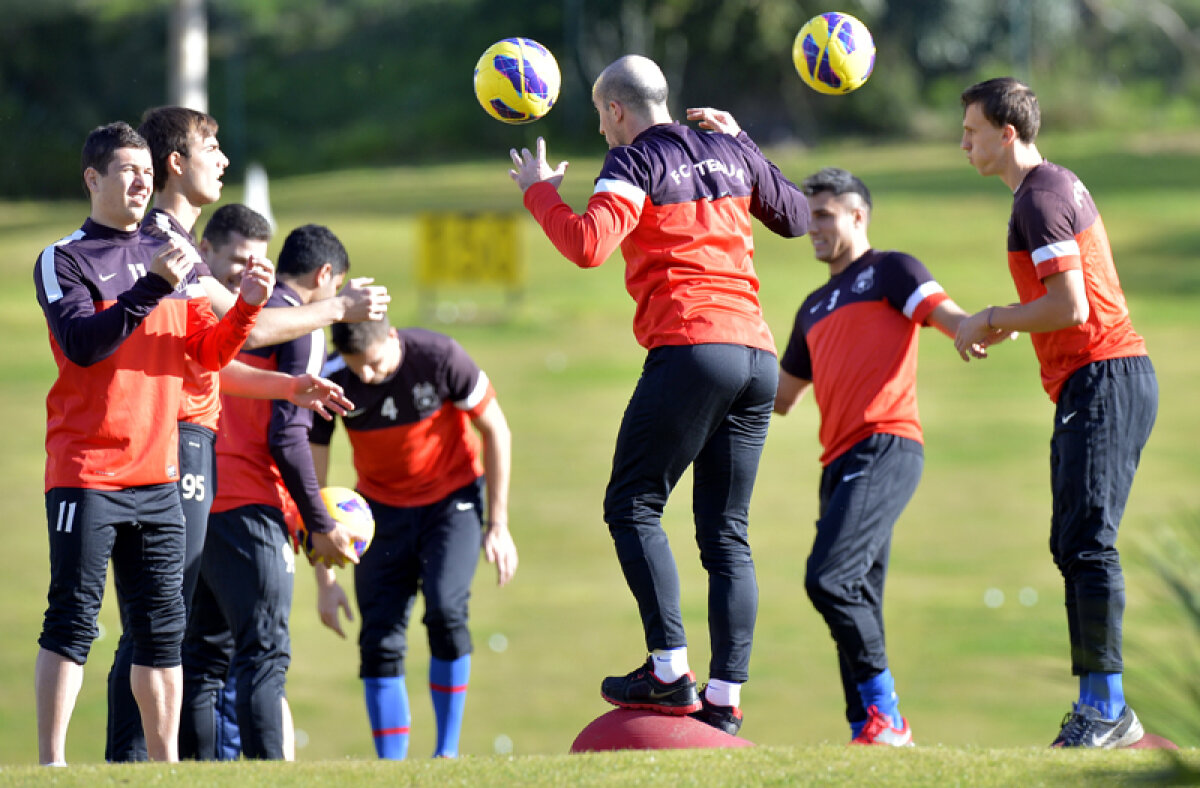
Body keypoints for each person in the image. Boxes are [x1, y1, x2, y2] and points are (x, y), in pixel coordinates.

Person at [507, 54, 809, 734]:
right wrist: (746, 142)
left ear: (617, 110)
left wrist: (538, 190)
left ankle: (670, 672)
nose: (603, 129)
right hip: (756, 357)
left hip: (692, 348)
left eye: (600, 116)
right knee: (726, 535)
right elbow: (794, 216)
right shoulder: (729, 148)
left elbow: (589, 245)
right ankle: (726, 701)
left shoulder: (636, 161)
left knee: (632, 505)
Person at [105, 106, 373, 762]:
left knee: (170, 642)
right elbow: (253, 351)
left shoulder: (180, 249)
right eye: (212, 146)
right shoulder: (165, 246)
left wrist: (289, 386)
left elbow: (221, 362)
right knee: (190, 642)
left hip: (173, 463)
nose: (223, 159)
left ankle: (150, 769)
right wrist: (334, 310)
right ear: (178, 162)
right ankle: (129, 765)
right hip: (182, 469)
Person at [33, 121, 270, 765]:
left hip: (159, 472)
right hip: (87, 471)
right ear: (94, 179)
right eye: (127, 171)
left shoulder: (168, 246)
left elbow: (205, 354)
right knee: (74, 620)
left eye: (146, 171)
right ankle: (52, 766)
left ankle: (164, 770)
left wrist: (245, 308)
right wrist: (152, 288)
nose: (142, 182)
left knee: (164, 632)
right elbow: (84, 344)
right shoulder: (65, 258)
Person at [955, 77, 1157, 748]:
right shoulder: (1052, 186)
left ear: (1007, 134)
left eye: (973, 131)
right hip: (1098, 379)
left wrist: (992, 316)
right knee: (1072, 541)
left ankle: (1107, 709)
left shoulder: (1038, 198)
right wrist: (1016, 323)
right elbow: (1065, 297)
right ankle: (1100, 703)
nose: (965, 142)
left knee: (1088, 542)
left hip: (1103, 375)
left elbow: (1071, 306)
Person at [774, 167, 994, 746]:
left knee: (829, 580)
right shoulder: (812, 307)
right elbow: (782, 396)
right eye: (809, 216)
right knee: (857, 593)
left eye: (824, 215)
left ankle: (886, 712)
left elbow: (945, 316)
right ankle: (865, 732)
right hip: (836, 463)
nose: (813, 227)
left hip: (887, 446)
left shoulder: (890, 270)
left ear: (858, 216)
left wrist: (973, 330)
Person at [179, 223, 360, 760]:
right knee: (263, 658)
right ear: (325, 276)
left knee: (204, 665)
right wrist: (320, 528)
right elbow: (288, 436)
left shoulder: (246, 313)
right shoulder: (300, 327)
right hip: (252, 506)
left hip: (201, 500)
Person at [308, 319, 517, 759]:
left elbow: (496, 430)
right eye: (357, 368)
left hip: (452, 503)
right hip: (380, 513)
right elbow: (316, 485)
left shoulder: (440, 357)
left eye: (376, 365)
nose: (368, 377)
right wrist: (325, 582)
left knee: (445, 611)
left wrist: (497, 525)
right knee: (379, 637)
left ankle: (447, 754)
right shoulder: (332, 380)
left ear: (392, 339)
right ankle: (392, 770)